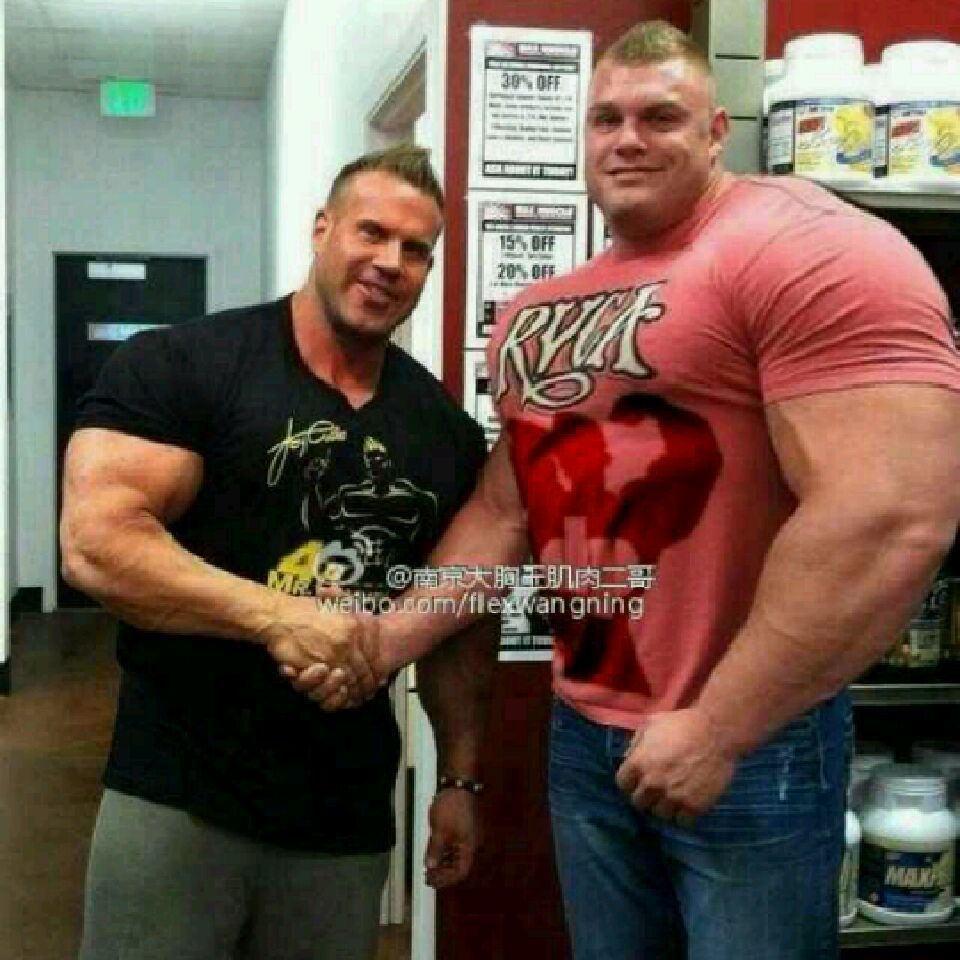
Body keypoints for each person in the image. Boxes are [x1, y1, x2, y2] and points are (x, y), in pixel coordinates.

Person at [292, 21, 960, 960]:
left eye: (660, 117)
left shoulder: (808, 249)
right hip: (584, 730)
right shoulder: (537, 315)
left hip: (753, 742)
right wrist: (381, 645)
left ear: (717, 131)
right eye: (606, 118)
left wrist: (721, 728)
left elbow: (890, 517)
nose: (628, 139)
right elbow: (504, 512)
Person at [60, 144, 495, 960]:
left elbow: (458, 622)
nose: (390, 262)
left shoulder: (445, 434)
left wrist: (459, 780)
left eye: (415, 250)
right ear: (323, 229)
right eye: (372, 232)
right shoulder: (185, 363)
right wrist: (279, 618)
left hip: (342, 815)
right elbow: (98, 546)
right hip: (180, 791)